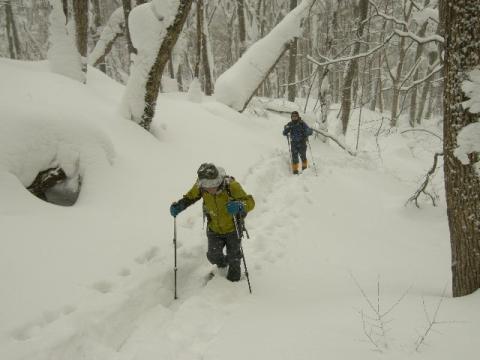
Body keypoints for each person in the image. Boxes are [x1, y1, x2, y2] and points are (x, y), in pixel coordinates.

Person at [169, 163, 255, 282]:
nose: (210, 189)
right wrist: (179, 206)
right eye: (206, 186)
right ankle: (224, 265)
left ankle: (234, 285)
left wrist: (240, 206)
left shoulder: (231, 186)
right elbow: (190, 197)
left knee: (234, 257)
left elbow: (250, 202)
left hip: (233, 228)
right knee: (213, 256)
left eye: (213, 184)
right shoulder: (201, 186)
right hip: (214, 228)